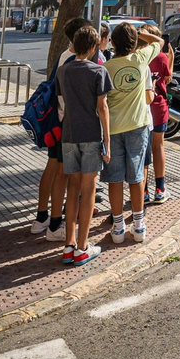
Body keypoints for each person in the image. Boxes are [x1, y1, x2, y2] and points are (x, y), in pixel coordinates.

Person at [101, 22, 163, 245]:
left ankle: (118, 228)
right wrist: (142, 34)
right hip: (138, 126)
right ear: (135, 43)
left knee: (114, 179)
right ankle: (139, 225)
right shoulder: (140, 60)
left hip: (113, 129)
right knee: (137, 177)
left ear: (113, 43)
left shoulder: (106, 67)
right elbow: (160, 42)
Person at [54, 27, 110, 266]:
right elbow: (102, 107)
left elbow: (63, 103)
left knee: (73, 189)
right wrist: (107, 139)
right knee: (88, 190)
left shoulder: (63, 72)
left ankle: (68, 245)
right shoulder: (99, 71)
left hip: (69, 134)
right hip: (90, 134)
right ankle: (83, 246)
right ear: (93, 47)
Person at [30, 17, 86, 241]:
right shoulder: (73, 59)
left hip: (56, 120)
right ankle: (54, 224)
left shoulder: (64, 55)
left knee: (53, 168)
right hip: (65, 122)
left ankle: (42, 217)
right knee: (62, 173)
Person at [146, 36, 173, 205]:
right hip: (159, 107)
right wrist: (172, 57)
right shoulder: (161, 57)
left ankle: (142, 191)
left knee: (143, 151)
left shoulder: (138, 56)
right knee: (158, 146)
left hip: (143, 109)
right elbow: (167, 79)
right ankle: (160, 189)